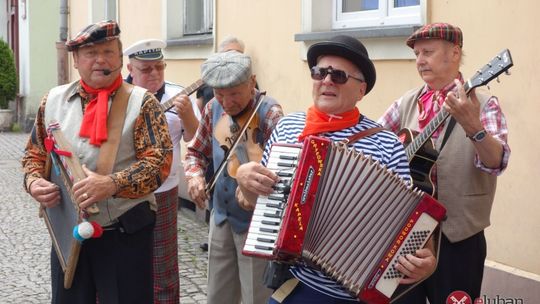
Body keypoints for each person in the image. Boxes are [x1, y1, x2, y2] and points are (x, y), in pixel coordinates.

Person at [234, 35, 437, 303]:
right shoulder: (287, 128)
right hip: (296, 284)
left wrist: (427, 259)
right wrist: (244, 182)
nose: (326, 80)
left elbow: (408, 220)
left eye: (339, 75)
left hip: (356, 293)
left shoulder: (386, 144)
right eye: (319, 73)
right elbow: (252, 202)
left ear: (361, 90)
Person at [21, 20, 173, 304]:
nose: (100, 59)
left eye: (108, 51)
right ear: (76, 60)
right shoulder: (52, 100)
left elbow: (159, 164)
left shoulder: (143, 102)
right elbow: (34, 154)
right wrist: (33, 182)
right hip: (70, 235)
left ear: (119, 57)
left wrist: (111, 183)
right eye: (91, 53)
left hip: (124, 233)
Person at [378, 23, 511, 303]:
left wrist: (474, 127)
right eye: (416, 54)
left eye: (427, 52)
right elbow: (376, 144)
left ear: (454, 53)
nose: (420, 60)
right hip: (407, 230)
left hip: (458, 237)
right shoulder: (406, 103)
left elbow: (496, 162)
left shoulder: (485, 105)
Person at [183, 50, 284, 304]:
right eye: (220, 94)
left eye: (234, 94)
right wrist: (195, 177)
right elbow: (196, 151)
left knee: (255, 296)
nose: (226, 103)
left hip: (256, 222)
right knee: (218, 294)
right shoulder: (212, 108)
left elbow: (282, 174)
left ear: (252, 82)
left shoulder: (270, 114)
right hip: (220, 216)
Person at [124, 38, 201, 304]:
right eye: (146, 69)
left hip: (164, 191)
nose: (155, 74)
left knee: (163, 264)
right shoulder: (116, 99)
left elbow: (195, 138)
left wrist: (189, 115)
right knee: (121, 260)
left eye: (159, 67)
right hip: (124, 193)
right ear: (130, 69)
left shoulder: (178, 96)